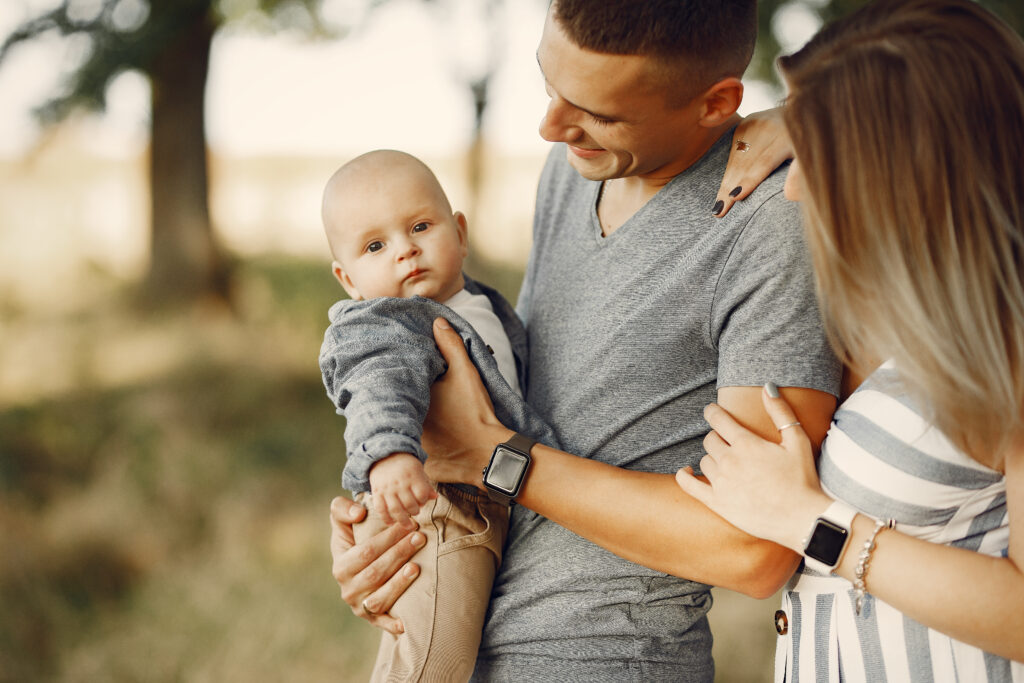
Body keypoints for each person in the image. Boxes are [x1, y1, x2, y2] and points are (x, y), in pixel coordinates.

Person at [329, 1, 843, 680]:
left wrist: (493, 455)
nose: (551, 127)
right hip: (464, 641)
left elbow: (753, 548)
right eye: (549, 86)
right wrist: (393, 515)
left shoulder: (774, 226)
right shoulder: (574, 168)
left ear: (716, 102)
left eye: (599, 113)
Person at [674, 0, 1024, 680]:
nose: (795, 189)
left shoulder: (1009, 335)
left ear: (904, 172)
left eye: (822, 159)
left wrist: (811, 521)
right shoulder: (888, 312)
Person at [319, 149, 559, 682]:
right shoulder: (388, 325)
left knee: (418, 655)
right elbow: (377, 386)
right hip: (438, 506)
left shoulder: (481, 305)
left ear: (460, 232)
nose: (405, 250)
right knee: (434, 664)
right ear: (348, 278)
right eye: (376, 245)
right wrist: (389, 455)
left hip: (472, 503)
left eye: (420, 227)